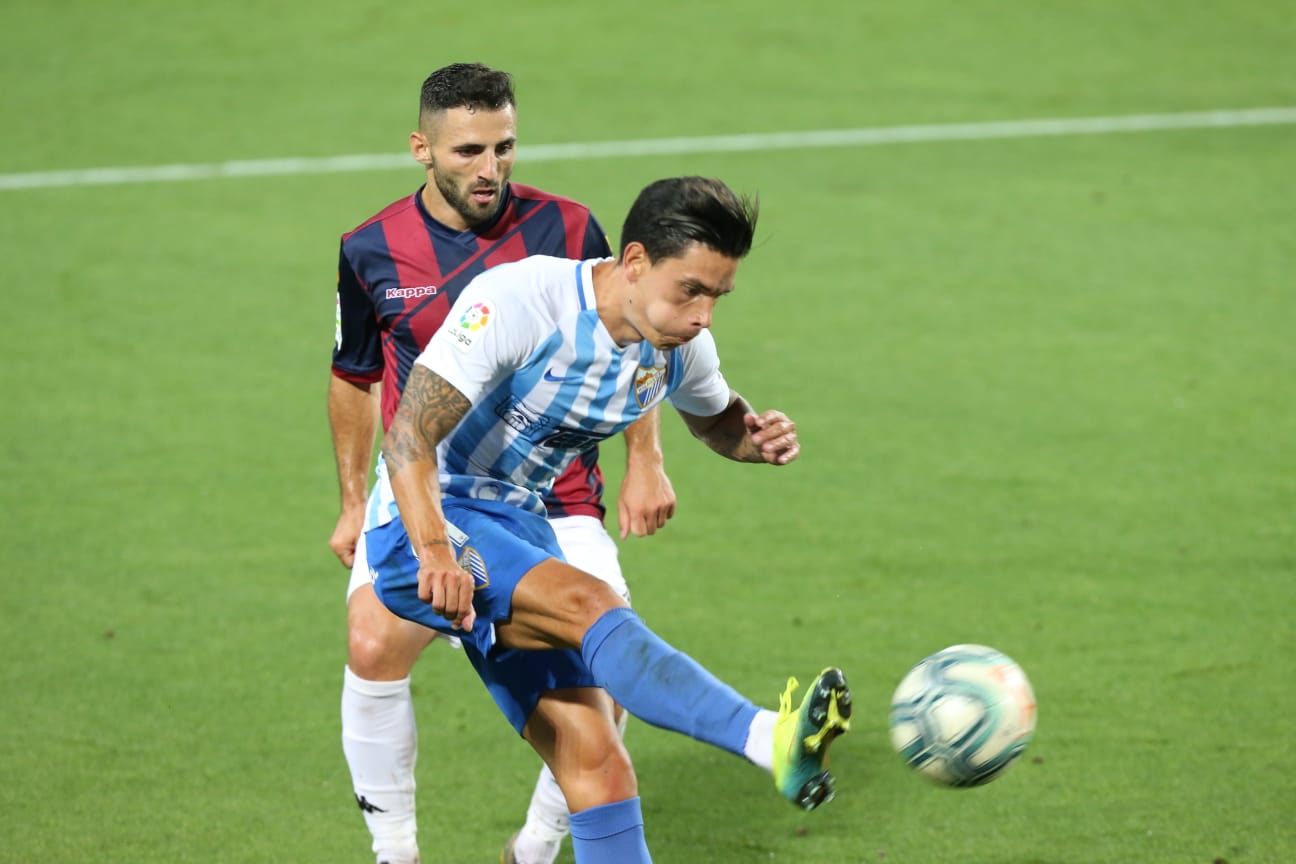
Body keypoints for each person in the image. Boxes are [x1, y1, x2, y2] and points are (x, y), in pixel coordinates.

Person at [365, 176, 853, 863]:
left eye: (719, 295)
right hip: (424, 524)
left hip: (517, 528)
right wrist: (435, 550)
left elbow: (716, 420)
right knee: (592, 601)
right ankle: (765, 737)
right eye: (691, 289)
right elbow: (410, 435)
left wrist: (756, 441)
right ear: (633, 262)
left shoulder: (677, 345)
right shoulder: (521, 301)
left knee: (597, 764)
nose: (705, 313)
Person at [329, 63, 676, 864]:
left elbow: (636, 334)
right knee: (372, 641)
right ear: (423, 148)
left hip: (552, 489)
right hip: (429, 483)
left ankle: (536, 848)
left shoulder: (570, 227)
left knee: (606, 665)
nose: (490, 169)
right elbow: (354, 377)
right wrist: (353, 500)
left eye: (505, 147)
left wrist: (646, 461)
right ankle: (396, 854)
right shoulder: (369, 248)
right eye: (469, 151)